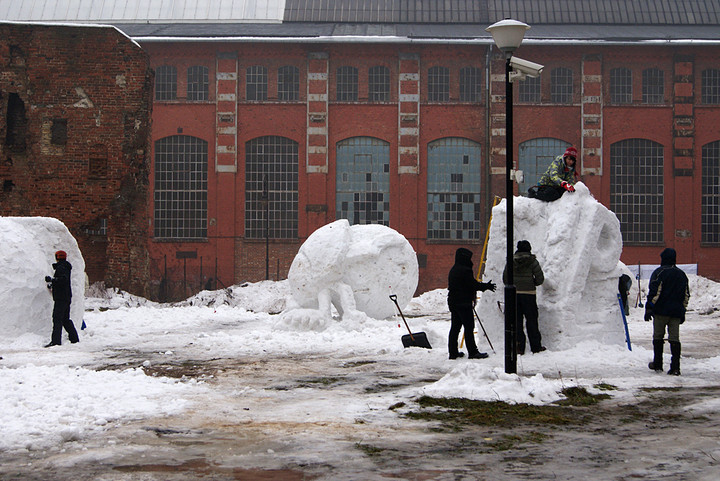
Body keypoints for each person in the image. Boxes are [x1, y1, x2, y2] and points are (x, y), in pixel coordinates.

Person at [644, 248, 690, 376]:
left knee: (658, 337)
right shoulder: (682, 274)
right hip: (676, 313)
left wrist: (649, 307)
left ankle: (658, 364)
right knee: (674, 339)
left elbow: (655, 292)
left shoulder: (660, 272)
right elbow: (686, 295)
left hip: (661, 312)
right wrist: (683, 310)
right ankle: (675, 367)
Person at [447, 248, 496, 360]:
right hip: (463, 303)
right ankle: (473, 352)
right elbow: (472, 285)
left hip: (454, 302)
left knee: (455, 328)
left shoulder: (454, 269)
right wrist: (486, 286)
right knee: (469, 327)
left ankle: (453, 352)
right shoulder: (465, 270)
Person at [502, 240, 546, 354]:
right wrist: (532, 284)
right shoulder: (533, 261)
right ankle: (536, 347)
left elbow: (505, 279)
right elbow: (540, 278)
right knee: (532, 321)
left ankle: (519, 347)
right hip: (529, 295)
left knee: (516, 322)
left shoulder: (511, 261)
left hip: (514, 295)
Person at [44, 250, 79, 347]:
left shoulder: (61, 267)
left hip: (61, 298)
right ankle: (74, 339)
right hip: (66, 297)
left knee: (57, 318)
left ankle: (56, 341)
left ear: (57, 257)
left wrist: (52, 280)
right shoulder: (65, 267)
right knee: (65, 319)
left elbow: (63, 280)